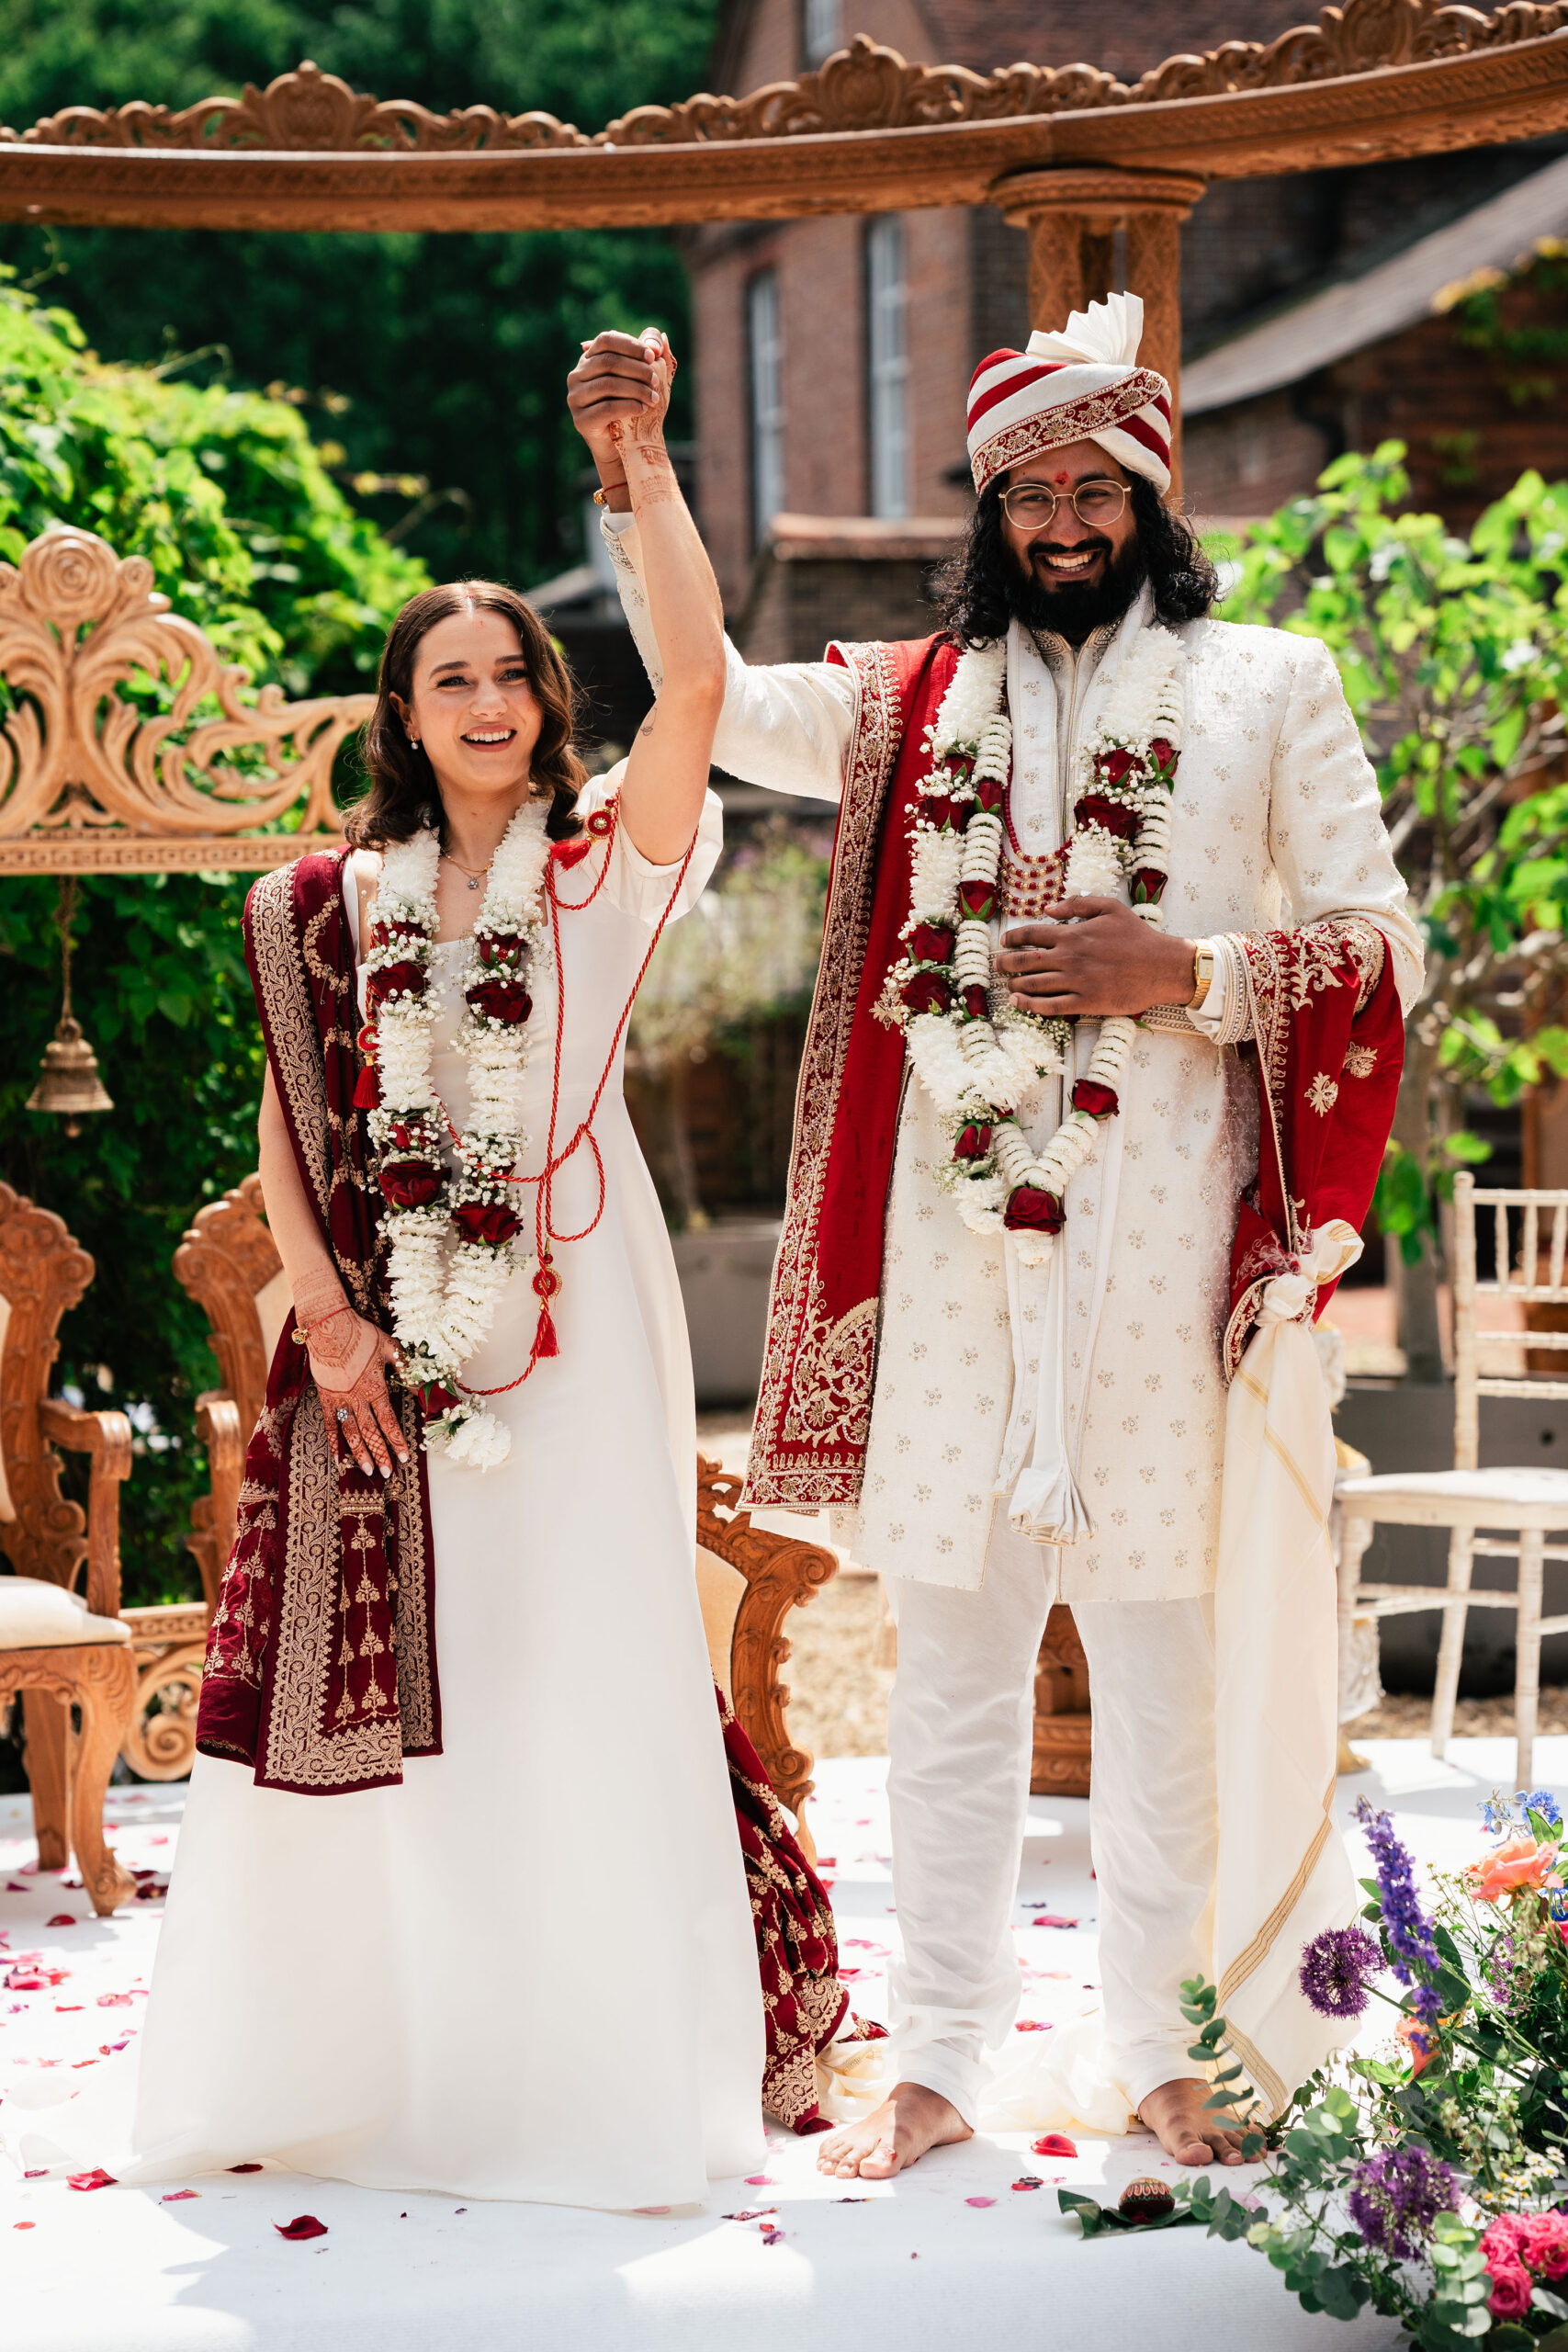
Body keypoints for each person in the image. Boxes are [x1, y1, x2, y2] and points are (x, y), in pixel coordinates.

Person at [569, 295, 1423, 2179]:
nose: (1056, 519)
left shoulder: (1268, 683)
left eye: (1087, 484)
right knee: (949, 1692)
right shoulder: (901, 700)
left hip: (1165, 1270)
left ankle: (1165, 2051)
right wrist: (635, 479)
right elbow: (698, 680)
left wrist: (1182, 966)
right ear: (986, 510)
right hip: (950, 1272)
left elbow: (1379, 942)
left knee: (1162, 1686)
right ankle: (937, 2054)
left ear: (1144, 489)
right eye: (1022, 490)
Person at [17, 332, 852, 2209]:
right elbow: (280, 1124)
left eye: (509, 673)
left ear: (548, 701)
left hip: (572, 1306)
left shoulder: (604, 863)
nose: (482, 699)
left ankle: (580, 2079)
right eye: (445, 675)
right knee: (416, 1682)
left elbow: (704, 676)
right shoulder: (327, 900)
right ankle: (381, 2065)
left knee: (570, 1659)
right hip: (370, 1323)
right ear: (404, 710)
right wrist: (323, 1318)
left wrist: (633, 467)